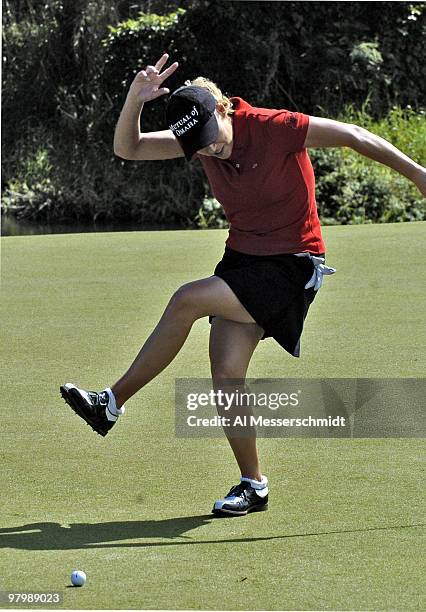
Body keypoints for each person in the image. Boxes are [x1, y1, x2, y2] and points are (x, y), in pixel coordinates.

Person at [60, 54, 426, 516]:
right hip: (243, 261)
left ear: (222, 109)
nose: (210, 150)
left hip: (293, 264)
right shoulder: (196, 137)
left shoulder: (274, 127)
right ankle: (254, 485)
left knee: (186, 300)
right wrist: (134, 100)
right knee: (226, 372)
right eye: (198, 147)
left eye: (211, 139)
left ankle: (111, 402)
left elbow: (354, 136)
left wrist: (417, 174)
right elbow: (128, 148)